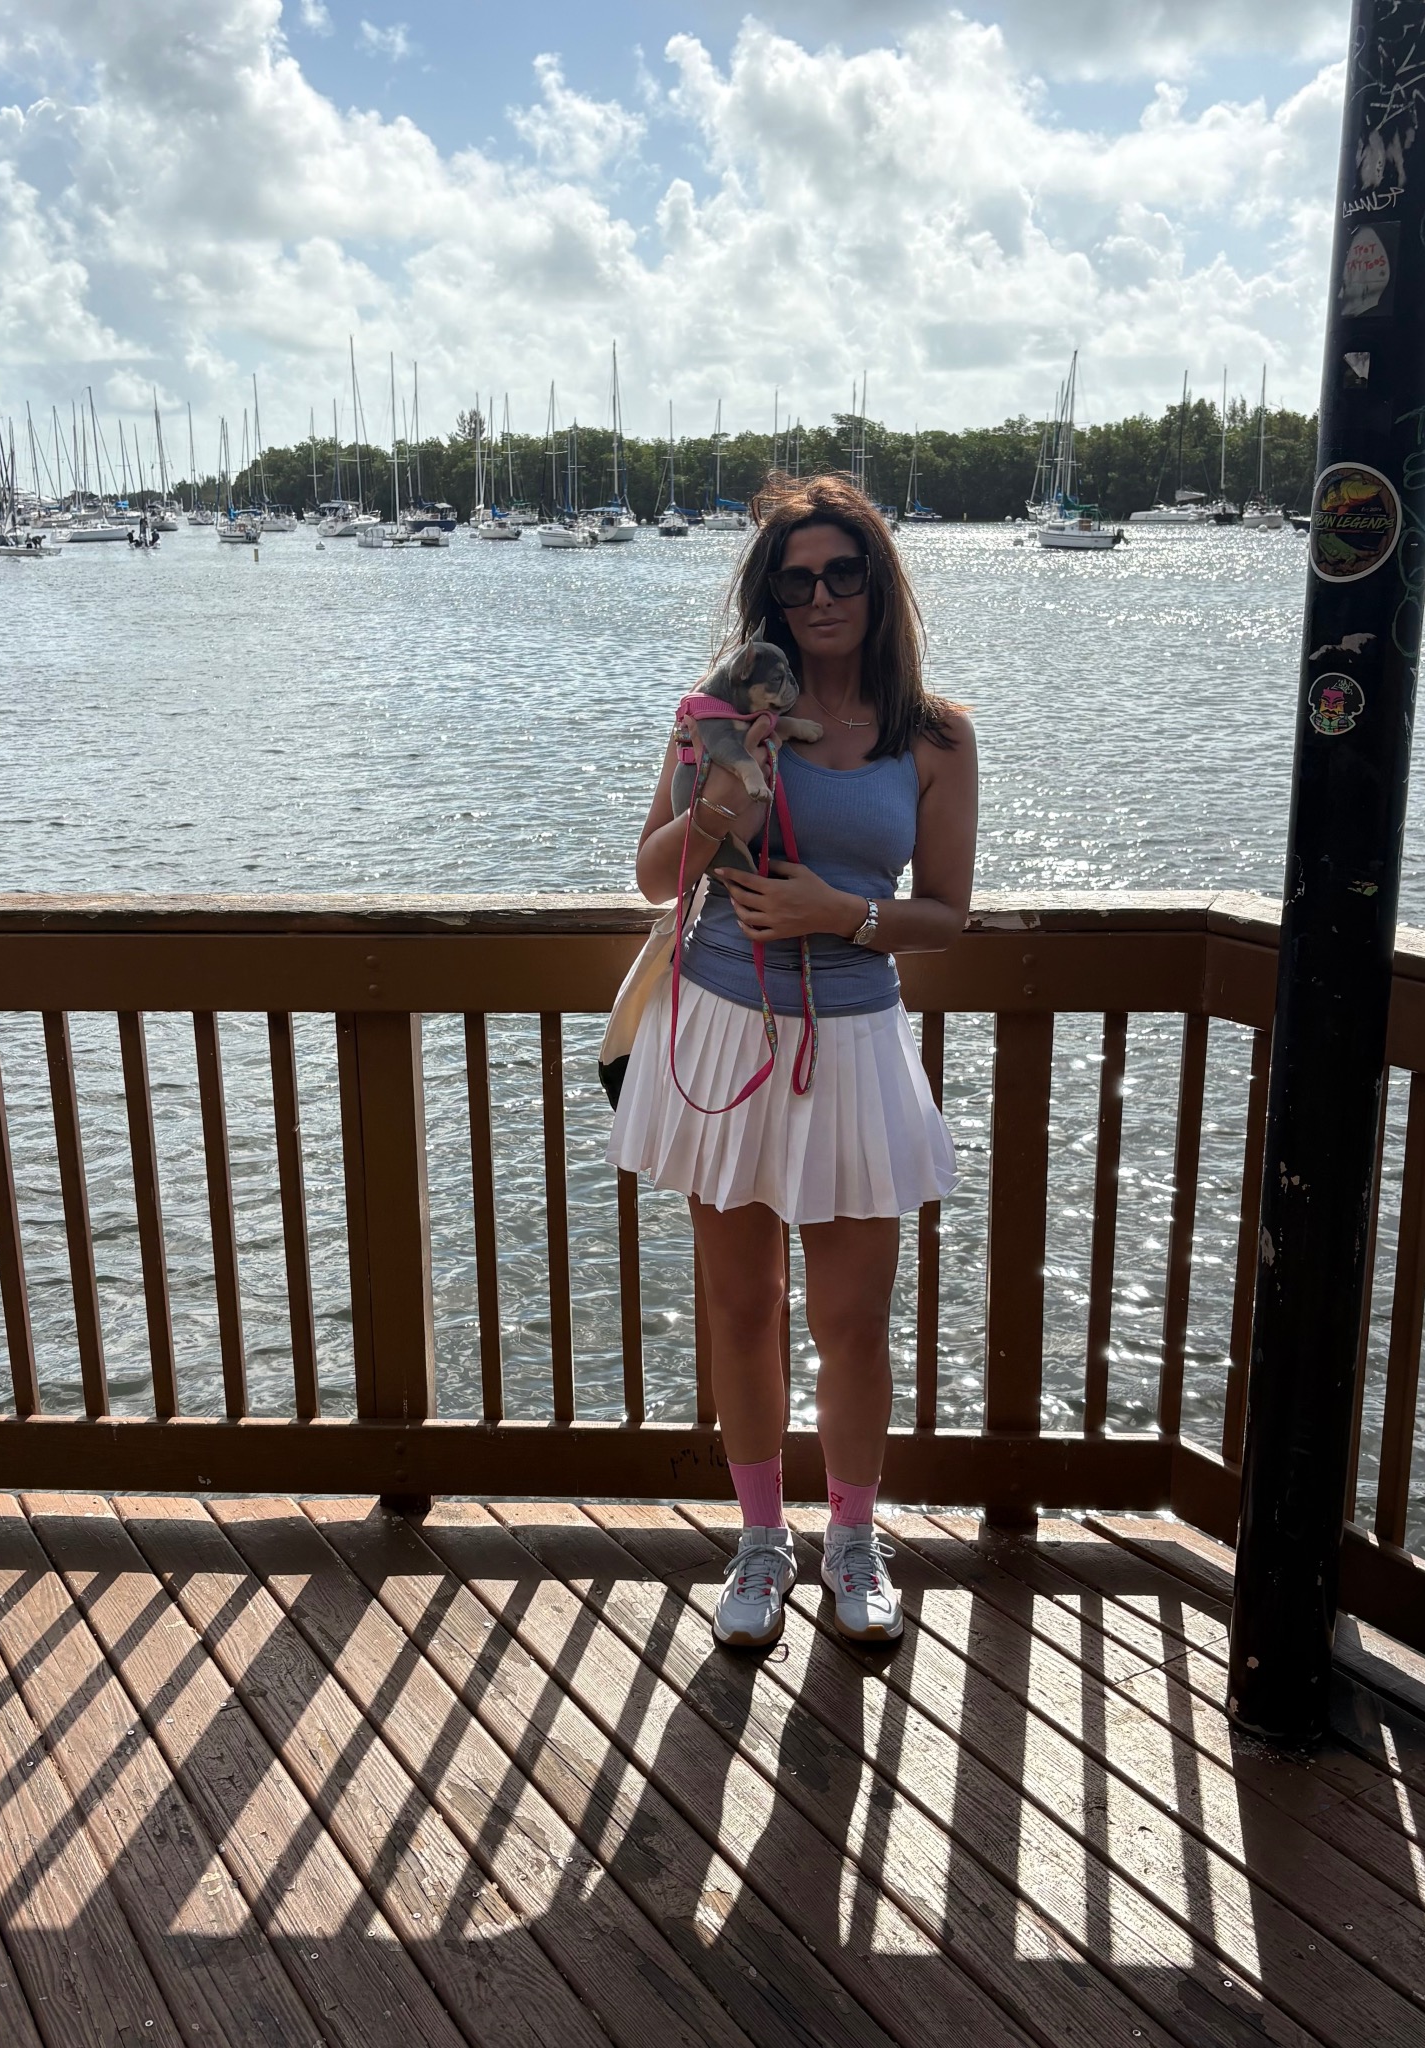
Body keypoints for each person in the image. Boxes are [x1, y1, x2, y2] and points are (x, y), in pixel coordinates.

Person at [608, 472, 978, 1649]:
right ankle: (761, 1542)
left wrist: (842, 913)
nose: (820, 596)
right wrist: (722, 797)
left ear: (878, 583)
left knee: (852, 1318)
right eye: (797, 577)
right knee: (742, 1304)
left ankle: (853, 1542)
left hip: (856, 1037)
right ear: (771, 593)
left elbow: (947, 913)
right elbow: (655, 875)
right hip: (724, 1023)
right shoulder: (717, 713)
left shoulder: (935, 735)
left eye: (842, 572)